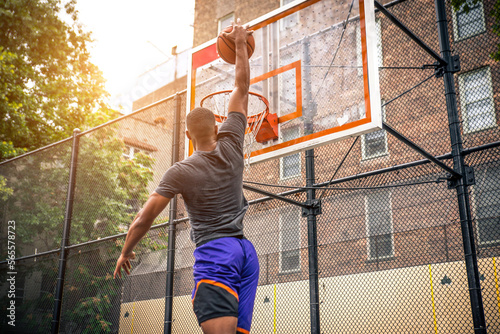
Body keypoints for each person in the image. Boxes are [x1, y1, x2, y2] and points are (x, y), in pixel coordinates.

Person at [114, 18, 259, 334]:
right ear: (217, 127)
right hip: (246, 254)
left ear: (187, 134)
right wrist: (238, 43)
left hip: (217, 255)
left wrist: (126, 251)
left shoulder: (179, 171)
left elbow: (144, 218)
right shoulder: (233, 140)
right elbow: (242, 86)